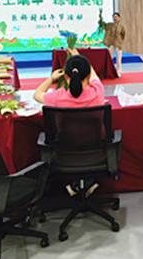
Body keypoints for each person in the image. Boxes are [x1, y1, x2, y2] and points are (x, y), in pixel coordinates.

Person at [33, 51, 104, 196]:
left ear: (66, 76)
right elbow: (94, 76)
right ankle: (87, 182)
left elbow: (37, 94)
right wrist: (80, 58)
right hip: (97, 153)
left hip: (63, 154)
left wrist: (52, 78)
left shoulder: (57, 97)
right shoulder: (97, 92)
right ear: (88, 76)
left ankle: (74, 184)